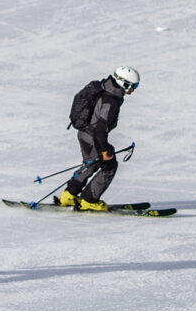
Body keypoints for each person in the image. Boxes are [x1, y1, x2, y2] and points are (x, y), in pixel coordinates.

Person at [59, 66, 140, 211]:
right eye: (133, 86)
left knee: (91, 164)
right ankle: (89, 200)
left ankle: (69, 195)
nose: (134, 89)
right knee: (109, 166)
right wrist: (103, 150)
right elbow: (100, 128)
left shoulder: (105, 88)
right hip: (92, 136)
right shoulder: (111, 100)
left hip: (85, 134)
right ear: (124, 83)